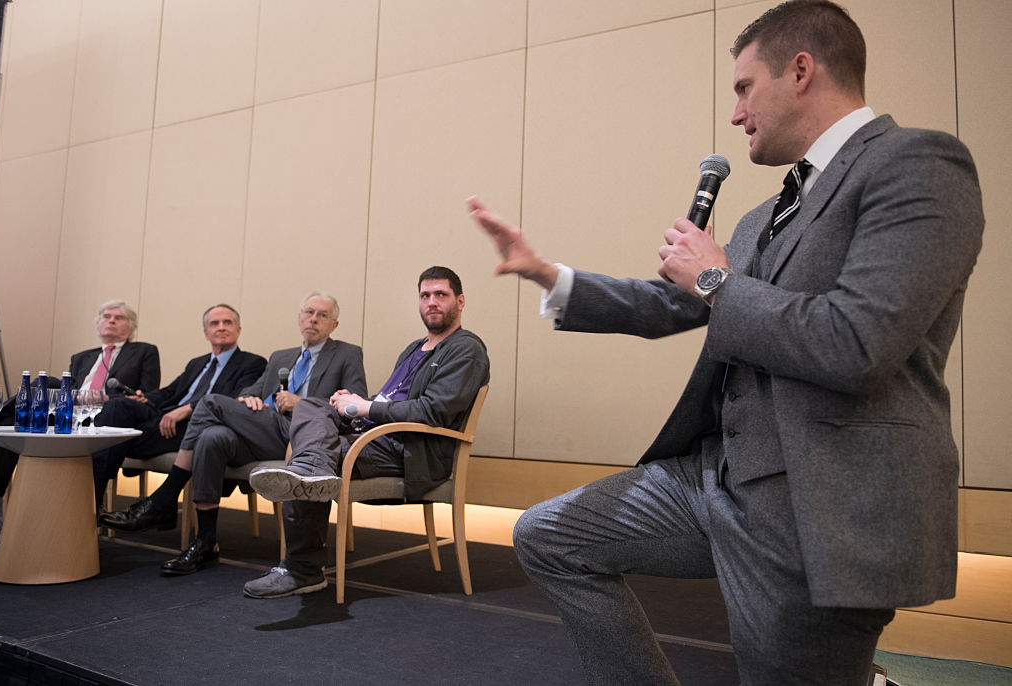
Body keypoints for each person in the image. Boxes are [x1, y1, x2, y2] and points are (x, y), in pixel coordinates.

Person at [467, 1, 984, 683]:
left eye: (744, 88)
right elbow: (668, 303)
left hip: (820, 502)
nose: (735, 113)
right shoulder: (763, 213)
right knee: (549, 536)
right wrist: (546, 272)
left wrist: (712, 275)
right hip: (716, 479)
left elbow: (856, 343)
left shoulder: (916, 163)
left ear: (801, 70)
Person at [243, 266, 489, 599]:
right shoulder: (414, 348)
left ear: (460, 302)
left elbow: (433, 411)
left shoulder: (466, 349)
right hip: (376, 438)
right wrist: (351, 403)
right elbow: (389, 400)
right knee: (311, 407)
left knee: (308, 457)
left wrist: (364, 407)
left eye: (441, 295)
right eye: (425, 295)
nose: (432, 302)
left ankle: (302, 568)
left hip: (411, 450)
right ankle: (310, 474)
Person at [99, 292, 366, 576]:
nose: (314, 319)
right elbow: (254, 389)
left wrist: (303, 404)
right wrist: (248, 399)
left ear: (334, 324)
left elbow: (354, 407)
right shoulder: (281, 356)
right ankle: (205, 541)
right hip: (268, 430)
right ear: (299, 318)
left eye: (322, 315)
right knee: (211, 437)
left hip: (306, 437)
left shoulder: (347, 353)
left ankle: (165, 497)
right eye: (309, 312)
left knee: (210, 401)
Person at [0, 300, 160, 539]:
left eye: (118, 318)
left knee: (112, 405)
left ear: (131, 327)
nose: (110, 320)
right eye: (106, 316)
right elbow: (71, 389)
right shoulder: (82, 357)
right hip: (74, 411)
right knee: (41, 384)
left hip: (112, 410)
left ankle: (90, 502)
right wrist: (75, 400)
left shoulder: (144, 351)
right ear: (98, 325)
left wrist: (103, 397)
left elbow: (146, 394)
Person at [92, 304, 267, 510]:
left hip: (195, 424)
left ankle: (94, 503)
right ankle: (95, 493)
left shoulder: (252, 363)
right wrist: (145, 398)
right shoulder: (197, 363)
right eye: (214, 323)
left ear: (238, 330)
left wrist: (189, 409)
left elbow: (233, 400)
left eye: (227, 322)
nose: (221, 327)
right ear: (206, 333)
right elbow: (170, 392)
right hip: (165, 416)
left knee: (117, 440)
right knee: (118, 405)